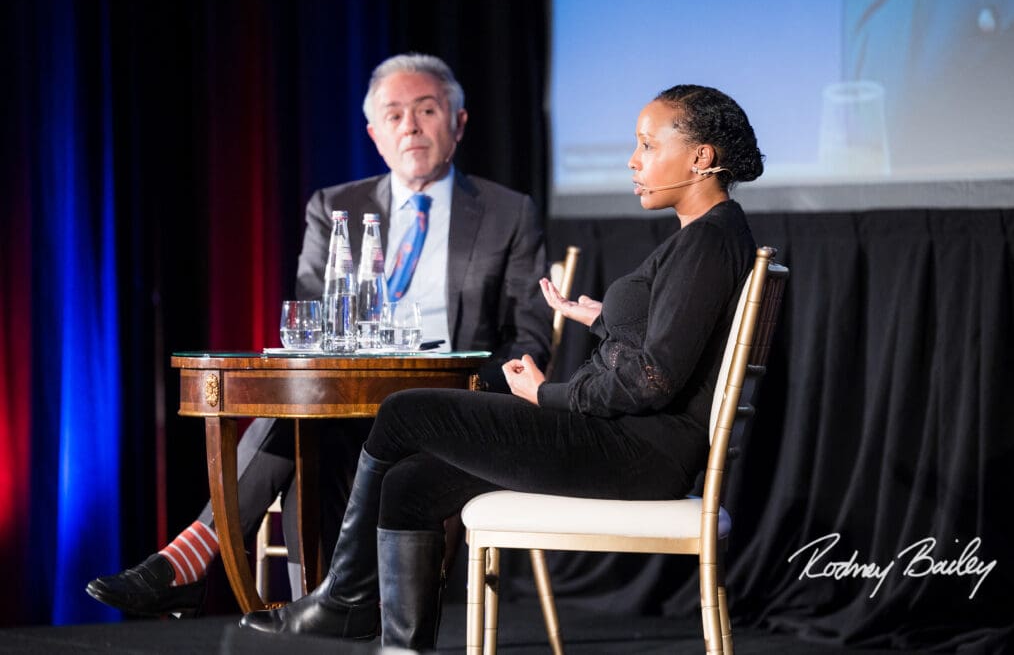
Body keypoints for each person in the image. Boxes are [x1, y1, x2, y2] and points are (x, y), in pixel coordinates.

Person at [237, 84, 765, 650]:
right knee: (412, 485)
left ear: (700, 158)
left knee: (403, 412)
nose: (633, 161)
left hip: (636, 453)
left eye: (646, 144)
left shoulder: (707, 241)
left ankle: (343, 598)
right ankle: (391, 639)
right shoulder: (711, 236)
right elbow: (675, 342)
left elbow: (653, 380)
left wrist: (547, 396)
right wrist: (603, 319)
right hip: (631, 444)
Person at [85, 53, 551, 617]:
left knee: (303, 433)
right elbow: (313, 329)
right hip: (348, 400)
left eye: (427, 110)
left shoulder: (508, 212)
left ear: (458, 122)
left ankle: (215, 567)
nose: (411, 125)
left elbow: (530, 337)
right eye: (395, 114)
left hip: (448, 404)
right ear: (374, 133)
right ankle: (317, 604)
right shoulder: (336, 208)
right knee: (300, 420)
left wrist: (473, 392)